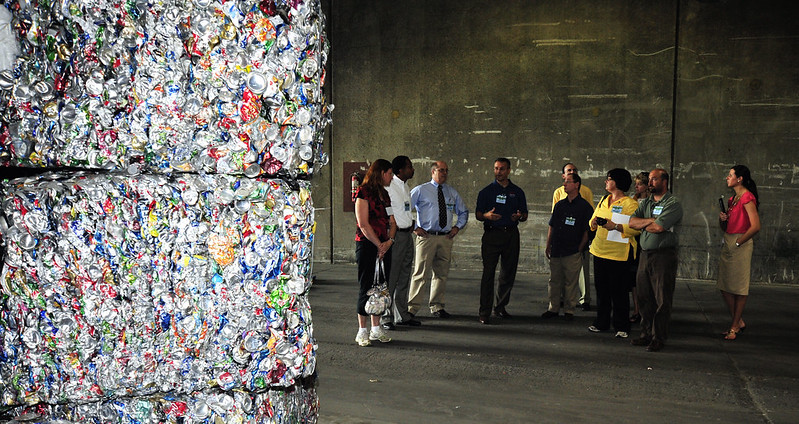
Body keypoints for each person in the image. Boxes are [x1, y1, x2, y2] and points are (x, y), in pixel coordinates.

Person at [629, 168, 683, 352]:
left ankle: (659, 337)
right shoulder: (647, 202)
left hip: (663, 256)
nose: (650, 183)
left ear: (664, 181)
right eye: (649, 180)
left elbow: (659, 228)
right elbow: (631, 222)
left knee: (662, 298)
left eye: (653, 179)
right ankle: (646, 334)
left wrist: (647, 223)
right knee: (644, 296)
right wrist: (649, 221)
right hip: (645, 254)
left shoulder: (673, 203)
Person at [408, 161, 469, 319]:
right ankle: (412, 308)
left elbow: (463, 212)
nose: (444, 173)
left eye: (446, 171)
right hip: (426, 237)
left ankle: (437, 306)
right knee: (420, 273)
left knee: (441, 274)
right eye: (441, 170)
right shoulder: (421, 190)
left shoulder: (451, 192)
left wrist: (457, 227)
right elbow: (404, 208)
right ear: (433, 172)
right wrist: (414, 227)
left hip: (445, 238)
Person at [586, 169, 641, 339]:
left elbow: (636, 228)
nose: (606, 182)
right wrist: (594, 223)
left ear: (617, 182)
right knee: (602, 290)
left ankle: (621, 325)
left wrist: (616, 227)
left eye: (608, 179)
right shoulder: (604, 199)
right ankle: (601, 322)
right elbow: (591, 221)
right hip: (599, 251)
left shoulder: (631, 204)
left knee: (619, 292)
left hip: (618, 255)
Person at [475, 158, 528, 324]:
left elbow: (525, 215)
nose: (498, 172)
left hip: (511, 235)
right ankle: (484, 311)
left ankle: (500, 307)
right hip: (492, 235)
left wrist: (519, 216)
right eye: (496, 168)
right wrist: (486, 216)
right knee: (488, 273)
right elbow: (478, 214)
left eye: (502, 169)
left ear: (509, 171)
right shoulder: (486, 191)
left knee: (508, 273)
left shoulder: (517, 192)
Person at [353, 159, 397, 346]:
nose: (392, 177)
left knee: (381, 287)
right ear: (381, 173)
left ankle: (376, 329)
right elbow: (363, 224)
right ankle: (362, 331)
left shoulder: (385, 195)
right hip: (368, 245)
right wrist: (379, 244)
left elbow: (392, 222)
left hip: (384, 246)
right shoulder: (362, 193)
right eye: (389, 173)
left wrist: (389, 241)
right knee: (367, 286)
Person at [717, 165, 761, 340]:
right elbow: (725, 227)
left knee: (739, 287)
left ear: (740, 178)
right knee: (724, 285)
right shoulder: (732, 199)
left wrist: (738, 242)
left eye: (730, 175)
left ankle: (734, 326)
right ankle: (738, 321)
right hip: (729, 240)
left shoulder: (747, 197)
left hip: (739, 242)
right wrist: (723, 220)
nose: (727, 178)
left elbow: (756, 226)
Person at [542, 173, 593, 321]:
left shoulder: (584, 207)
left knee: (571, 281)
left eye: (568, 182)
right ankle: (553, 308)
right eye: (564, 182)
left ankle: (569, 310)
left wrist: (580, 248)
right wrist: (548, 244)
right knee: (554, 280)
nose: (564, 184)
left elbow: (587, 230)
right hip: (557, 248)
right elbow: (551, 226)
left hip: (572, 250)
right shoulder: (560, 205)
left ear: (577, 185)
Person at [382, 156, 422, 330]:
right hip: (395, 237)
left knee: (405, 276)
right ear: (400, 170)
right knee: (391, 277)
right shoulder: (389, 186)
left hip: (407, 236)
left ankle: (402, 315)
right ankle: (385, 316)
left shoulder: (405, 187)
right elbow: (387, 212)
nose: (412, 170)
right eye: (409, 167)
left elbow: (405, 211)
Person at [552, 163, 595, 311]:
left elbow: (589, 220)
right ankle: (557, 305)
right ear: (563, 175)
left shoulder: (586, 193)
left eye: (574, 171)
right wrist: (549, 243)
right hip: (560, 244)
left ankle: (583, 300)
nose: (572, 172)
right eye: (568, 171)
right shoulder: (559, 194)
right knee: (556, 277)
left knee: (578, 273)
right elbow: (554, 221)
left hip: (577, 242)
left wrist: (582, 244)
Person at [629, 172, 650, 324]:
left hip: (648, 241)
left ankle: (647, 311)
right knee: (634, 280)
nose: (636, 187)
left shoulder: (652, 202)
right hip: (635, 241)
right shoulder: (633, 201)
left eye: (639, 184)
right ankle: (637, 310)